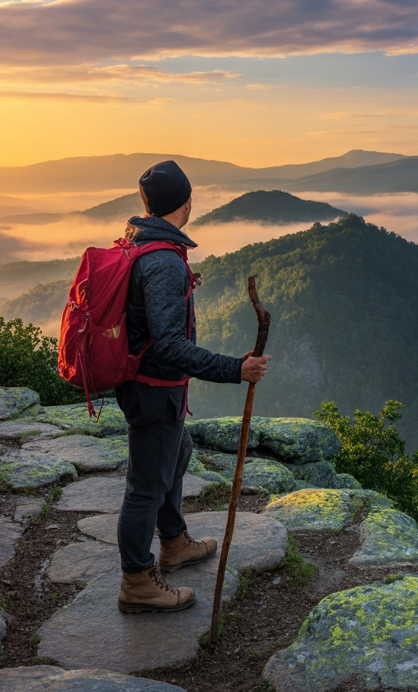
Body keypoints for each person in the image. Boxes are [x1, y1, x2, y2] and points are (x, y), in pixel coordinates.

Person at [115, 160, 271, 613]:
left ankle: (175, 542)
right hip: (153, 386)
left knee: (176, 455)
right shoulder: (163, 260)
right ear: (186, 204)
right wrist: (233, 369)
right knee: (145, 485)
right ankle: (138, 581)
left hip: (152, 384)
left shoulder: (139, 241)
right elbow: (168, 344)